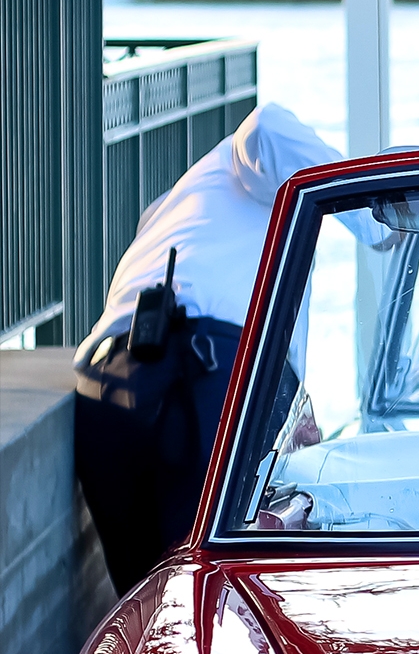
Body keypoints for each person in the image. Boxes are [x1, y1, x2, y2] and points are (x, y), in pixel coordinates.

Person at [70, 102, 380, 590]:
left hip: (107, 387)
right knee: (205, 598)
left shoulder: (171, 210)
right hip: (211, 375)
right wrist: (374, 219)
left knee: (143, 604)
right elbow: (268, 123)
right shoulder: (237, 164)